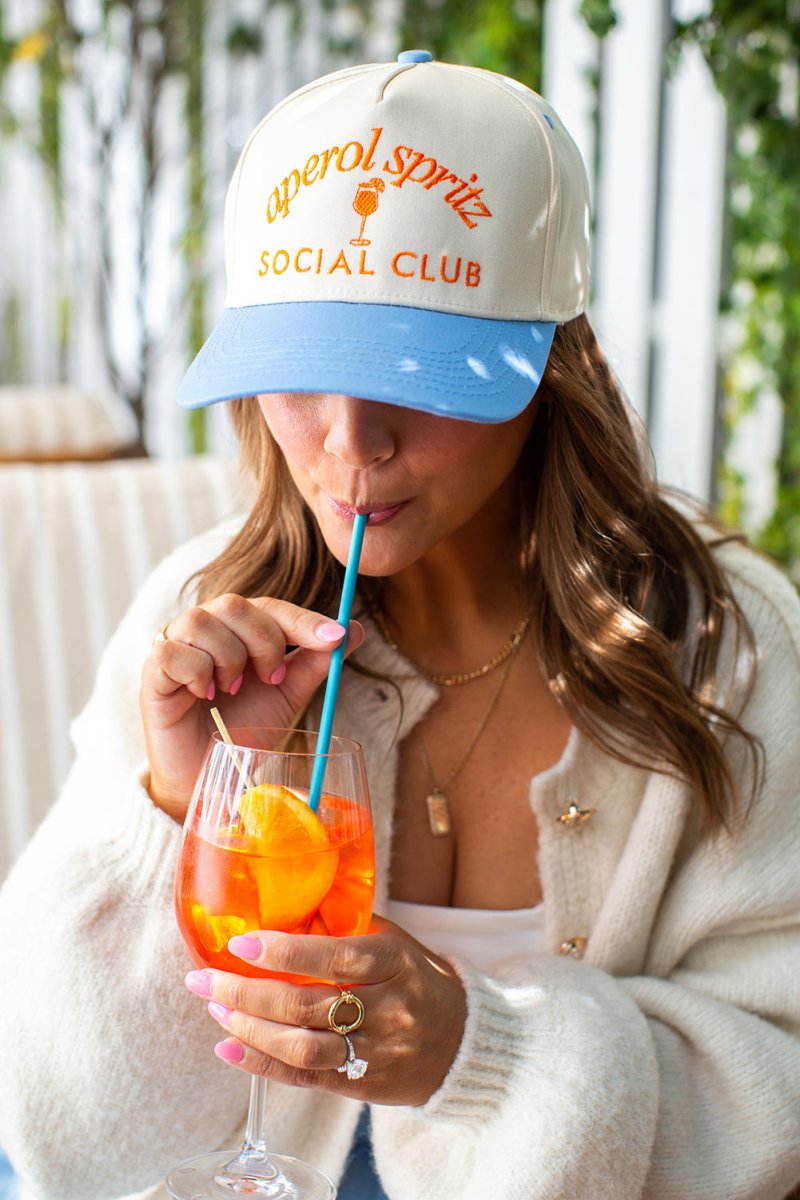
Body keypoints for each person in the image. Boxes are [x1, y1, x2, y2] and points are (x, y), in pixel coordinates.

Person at [1, 49, 799, 1200]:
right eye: (301, 369)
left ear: (551, 367)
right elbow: (63, 1138)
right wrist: (177, 810)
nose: (350, 442)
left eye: (421, 375)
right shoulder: (198, 618)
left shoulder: (732, 654)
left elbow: (779, 1097)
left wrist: (480, 1051)